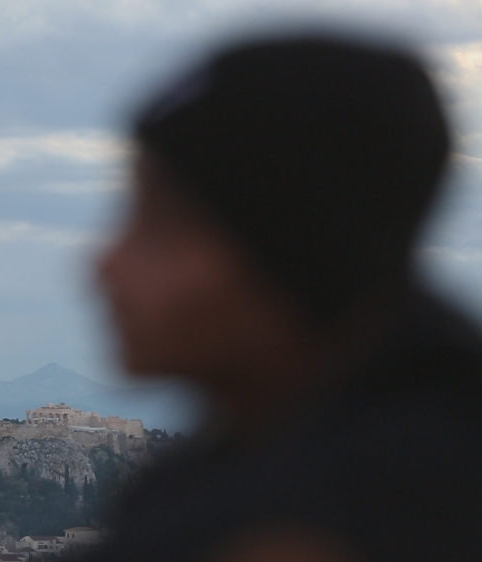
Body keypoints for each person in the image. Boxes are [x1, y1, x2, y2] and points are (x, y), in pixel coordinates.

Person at [84, 30, 482, 561]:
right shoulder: (237, 455)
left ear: (292, 248)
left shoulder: (360, 511)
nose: (105, 264)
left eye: (163, 230)